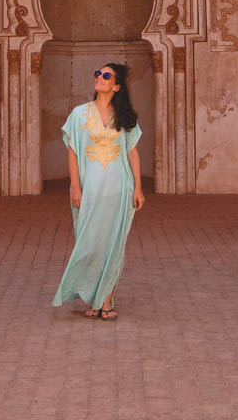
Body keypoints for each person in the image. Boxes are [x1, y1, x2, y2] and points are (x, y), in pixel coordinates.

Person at [52, 62, 145, 321]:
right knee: (90, 245)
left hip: (118, 190)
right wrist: (75, 185)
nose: (99, 78)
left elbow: (132, 152)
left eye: (106, 76)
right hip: (90, 191)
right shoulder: (80, 114)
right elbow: (72, 151)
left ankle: (105, 300)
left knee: (112, 245)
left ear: (117, 86)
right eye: (97, 74)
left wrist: (138, 187)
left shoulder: (124, 117)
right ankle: (95, 297)